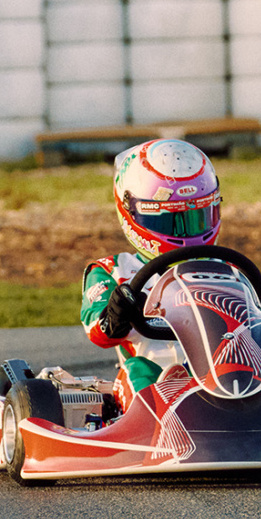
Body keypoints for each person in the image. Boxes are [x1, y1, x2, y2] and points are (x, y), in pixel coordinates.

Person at [79, 138, 226, 400]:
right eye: (173, 222)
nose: (188, 235)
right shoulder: (112, 271)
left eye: (196, 219)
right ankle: (154, 425)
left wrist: (257, 307)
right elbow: (97, 331)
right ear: (133, 213)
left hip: (216, 376)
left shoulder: (224, 269)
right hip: (151, 381)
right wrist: (115, 314)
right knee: (138, 371)